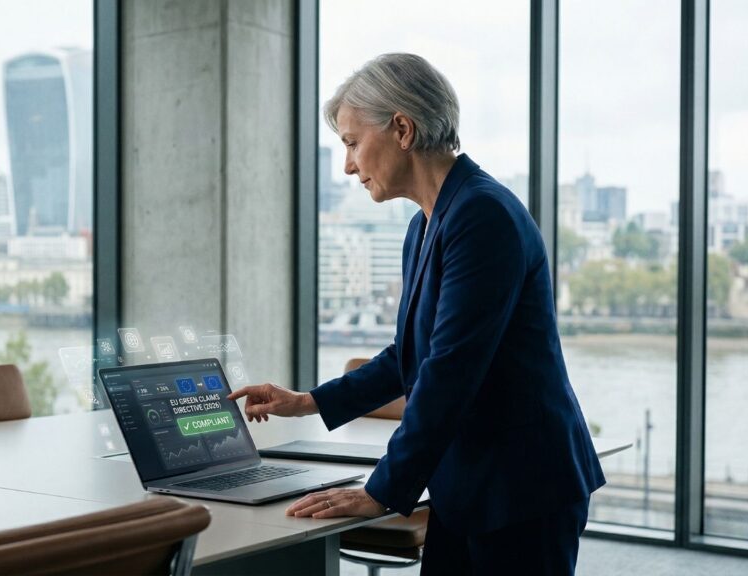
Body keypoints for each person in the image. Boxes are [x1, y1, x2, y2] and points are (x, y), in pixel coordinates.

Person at [227, 53, 605, 575]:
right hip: (466, 482)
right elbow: (410, 355)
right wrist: (308, 401)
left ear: (402, 129)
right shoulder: (425, 224)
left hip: (519, 488)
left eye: (352, 143)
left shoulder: (482, 215)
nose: (348, 166)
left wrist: (382, 490)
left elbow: (449, 372)